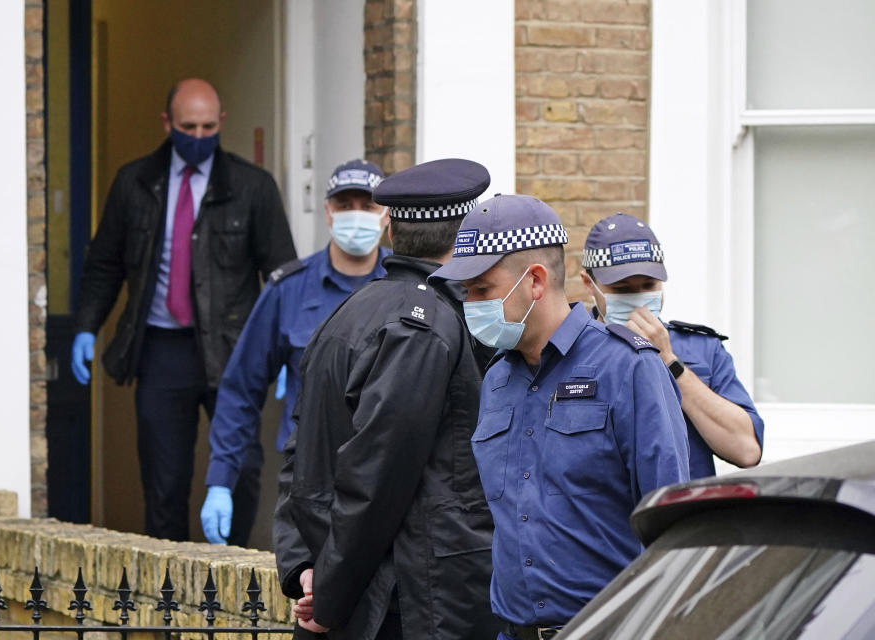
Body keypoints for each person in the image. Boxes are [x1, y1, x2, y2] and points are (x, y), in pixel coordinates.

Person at [429, 194, 690, 638]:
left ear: (534, 281)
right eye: (467, 292)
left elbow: (673, 527)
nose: (470, 303)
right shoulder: (495, 380)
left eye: (482, 290)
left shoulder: (627, 366)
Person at [273, 159, 499, 640]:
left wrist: (305, 568)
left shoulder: (351, 311)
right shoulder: (428, 325)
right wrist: (328, 592)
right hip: (404, 599)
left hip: (358, 586)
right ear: (464, 237)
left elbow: (299, 456)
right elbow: (377, 476)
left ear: (391, 228)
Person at [70, 78, 296, 541]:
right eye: (187, 126)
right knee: (163, 478)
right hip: (160, 349)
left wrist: (291, 345)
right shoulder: (134, 183)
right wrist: (87, 325)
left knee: (243, 469)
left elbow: (282, 276)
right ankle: (170, 595)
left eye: (208, 126)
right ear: (167, 123)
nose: (198, 136)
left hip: (233, 351)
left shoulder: (252, 187)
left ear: (221, 123)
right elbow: (104, 262)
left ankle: (232, 577)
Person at [200, 159, 391, 546]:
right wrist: (221, 480)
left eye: (367, 205)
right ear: (327, 212)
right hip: (308, 480)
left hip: (387, 478)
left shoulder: (408, 288)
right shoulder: (288, 289)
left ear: (386, 216)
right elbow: (241, 388)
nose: (356, 215)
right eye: (344, 204)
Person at [580, 212, 764, 478]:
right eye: (622, 289)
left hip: (683, 514)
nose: (639, 299)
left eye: (648, 285)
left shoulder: (701, 350)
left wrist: (669, 361)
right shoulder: (568, 352)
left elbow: (746, 450)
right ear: (589, 284)